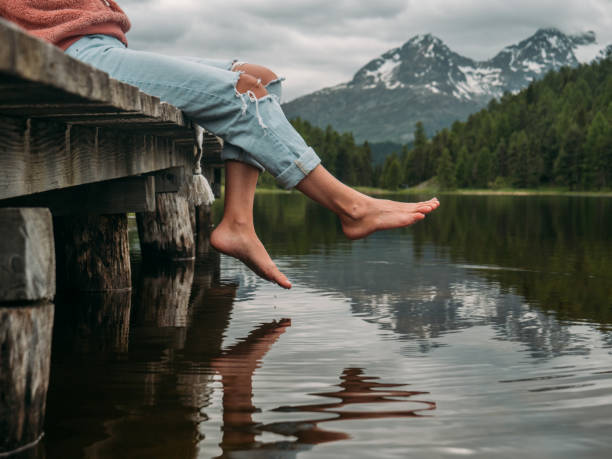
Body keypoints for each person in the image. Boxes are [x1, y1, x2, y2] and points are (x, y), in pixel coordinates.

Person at [1, 1, 440, 289]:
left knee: (264, 79)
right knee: (242, 93)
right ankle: (352, 207)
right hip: (67, 51)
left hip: (102, 45)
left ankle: (238, 224)